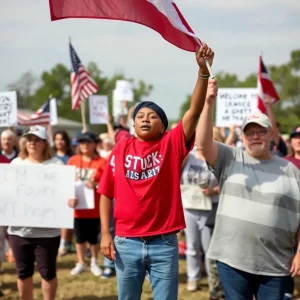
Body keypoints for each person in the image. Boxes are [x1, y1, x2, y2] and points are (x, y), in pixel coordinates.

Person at [98, 43, 214, 300]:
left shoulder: (171, 145)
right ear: (133, 123)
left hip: (164, 243)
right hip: (126, 241)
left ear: (163, 126)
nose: (145, 118)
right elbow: (105, 193)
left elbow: (194, 112)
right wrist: (106, 233)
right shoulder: (120, 147)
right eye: (140, 115)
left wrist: (202, 72)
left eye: (152, 115)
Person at [196, 82, 300, 300]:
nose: (255, 136)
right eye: (249, 132)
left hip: (276, 262)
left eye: (261, 131)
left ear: (271, 135)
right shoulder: (230, 157)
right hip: (232, 258)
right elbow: (203, 144)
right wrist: (208, 103)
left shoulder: (290, 170)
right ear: (242, 137)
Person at [8, 125, 64, 300]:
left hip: (48, 232)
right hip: (19, 231)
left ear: (44, 143)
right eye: (29, 139)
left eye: (37, 139)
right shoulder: (16, 164)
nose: (32, 143)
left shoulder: (56, 165)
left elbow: (65, 194)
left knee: (47, 272)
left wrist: (70, 200)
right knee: (23, 273)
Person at [67, 132, 106, 276]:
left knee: (94, 238)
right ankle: (81, 262)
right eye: (82, 142)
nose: (85, 145)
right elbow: (65, 182)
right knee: (79, 237)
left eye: (88, 142)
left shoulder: (102, 162)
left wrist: (96, 184)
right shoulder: (72, 160)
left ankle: (94, 261)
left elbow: (109, 183)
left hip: (95, 208)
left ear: (94, 144)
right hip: (77, 207)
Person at [181, 147, 219, 294]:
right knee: (192, 246)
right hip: (189, 207)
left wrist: (213, 191)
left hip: (210, 208)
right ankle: (193, 277)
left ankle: (213, 280)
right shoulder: (189, 156)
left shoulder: (217, 157)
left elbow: (227, 182)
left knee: (209, 248)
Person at [52, 130, 75, 256]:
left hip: (69, 191)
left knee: (67, 219)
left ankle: (64, 244)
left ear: (66, 141)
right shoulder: (50, 156)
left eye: (62, 139)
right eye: (56, 139)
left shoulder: (72, 156)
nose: (59, 142)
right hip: (53, 191)